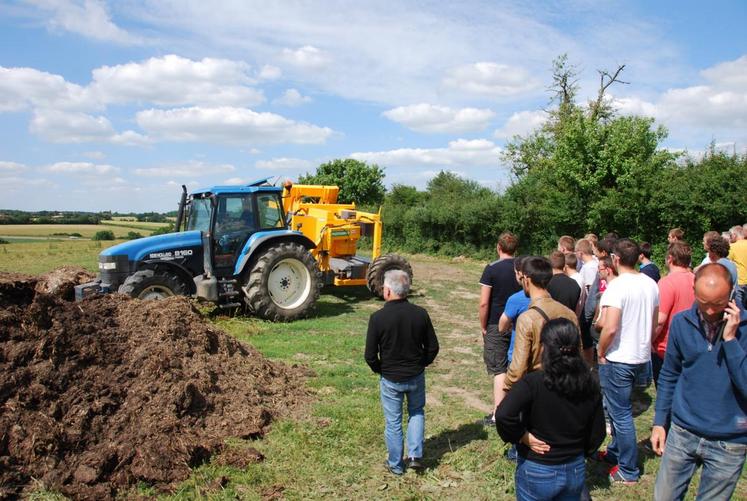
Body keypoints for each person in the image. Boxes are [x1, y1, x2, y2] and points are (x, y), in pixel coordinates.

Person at [652, 263, 747, 500]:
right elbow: (669, 374)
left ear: (733, 292)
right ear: (693, 290)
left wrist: (731, 340)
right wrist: (659, 421)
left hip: (729, 441)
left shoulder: (744, 330)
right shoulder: (682, 322)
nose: (711, 311)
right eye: (704, 302)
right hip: (683, 431)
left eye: (718, 303)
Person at [496, 318, 605, 501]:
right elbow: (598, 432)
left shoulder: (533, 382)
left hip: (537, 468)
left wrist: (521, 437)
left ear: (545, 348)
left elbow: (503, 415)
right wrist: (579, 451)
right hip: (574, 467)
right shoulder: (590, 384)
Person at [596, 238, 659, 484]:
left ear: (616, 259)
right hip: (642, 357)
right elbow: (654, 323)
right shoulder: (651, 284)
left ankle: (628, 470)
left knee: (619, 414)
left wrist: (601, 350)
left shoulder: (617, 286)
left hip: (620, 358)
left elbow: (609, 327)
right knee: (620, 411)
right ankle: (615, 452)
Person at [365, 270, 439, 475]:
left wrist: (381, 370)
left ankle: (396, 465)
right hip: (415, 375)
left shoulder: (378, 318)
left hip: (391, 379)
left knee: (394, 421)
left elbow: (370, 355)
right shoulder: (420, 314)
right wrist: (422, 364)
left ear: (387, 291)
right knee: (416, 412)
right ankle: (415, 455)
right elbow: (433, 347)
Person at [504, 256, 579, 393]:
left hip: (538, 386)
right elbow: (578, 353)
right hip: (564, 384)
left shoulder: (527, 318)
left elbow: (518, 368)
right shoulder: (570, 314)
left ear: (526, 280)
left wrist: (508, 386)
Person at [479, 232, 521, 425]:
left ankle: (498, 413)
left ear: (498, 247)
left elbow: (484, 304)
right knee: (517, 365)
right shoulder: (521, 267)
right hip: (519, 322)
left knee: (499, 368)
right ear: (515, 249)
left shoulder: (491, 269)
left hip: (496, 322)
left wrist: (483, 326)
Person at [651, 242, 695, 386]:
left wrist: (649, 341)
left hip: (667, 348)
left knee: (667, 392)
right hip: (692, 344)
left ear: (670, 258)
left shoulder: (666, 283)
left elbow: (660, 320)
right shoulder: (696, 279)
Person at [727, 225, 747, 308]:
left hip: (740, 282)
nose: (730, 238)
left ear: (735, 235)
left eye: (731, 235)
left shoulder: (732, 247)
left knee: (739, 309)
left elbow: (727, 263)